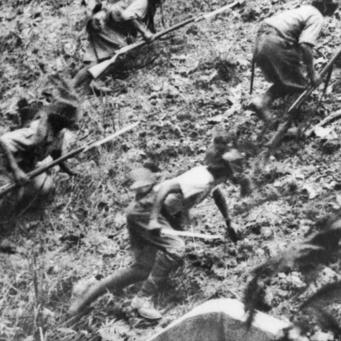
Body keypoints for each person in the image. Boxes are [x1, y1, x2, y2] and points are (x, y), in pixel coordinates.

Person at [68, 134, 250, 321]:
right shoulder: (201, 178)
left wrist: (228, 221)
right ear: (225, 169)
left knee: (143, 268)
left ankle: (81, 301)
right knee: (176, 248)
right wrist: (154, 219)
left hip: (145, 211)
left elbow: (217, 193)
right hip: (147, 210)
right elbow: (165, 188)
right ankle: (143, 299)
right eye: (234, 170)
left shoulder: (212, 179)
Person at [0, 76, 81, 253]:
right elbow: (2, 141)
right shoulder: (36, 131)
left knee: (46, 186)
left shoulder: (57, 131)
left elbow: (56, 152)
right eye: (71, 120)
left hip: (24, 166)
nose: (74, 123)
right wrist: (15, 171)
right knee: (15, 190)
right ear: (60, 119)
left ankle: (10, 208)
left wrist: (67, 170)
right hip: (1, 166)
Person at [250, 0, 340, 126]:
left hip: (260, 43)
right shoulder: (316, 16)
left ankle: (263, 102)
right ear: (328, 6)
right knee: (300, 85)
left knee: (284, 81)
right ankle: (288, 124)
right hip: (276, 42)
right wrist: (312, 73)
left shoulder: (303, 10)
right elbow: (305, 45)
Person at [73, 0, 169, 89]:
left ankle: (85, 83)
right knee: (109, 57)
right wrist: (145, 33)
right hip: (104, 27)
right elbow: (128, 15)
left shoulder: (147, 2)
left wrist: (154, 35)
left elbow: (148, 24)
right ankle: (73, 85)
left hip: (108, 27)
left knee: (103, 59)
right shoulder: (143, 1)